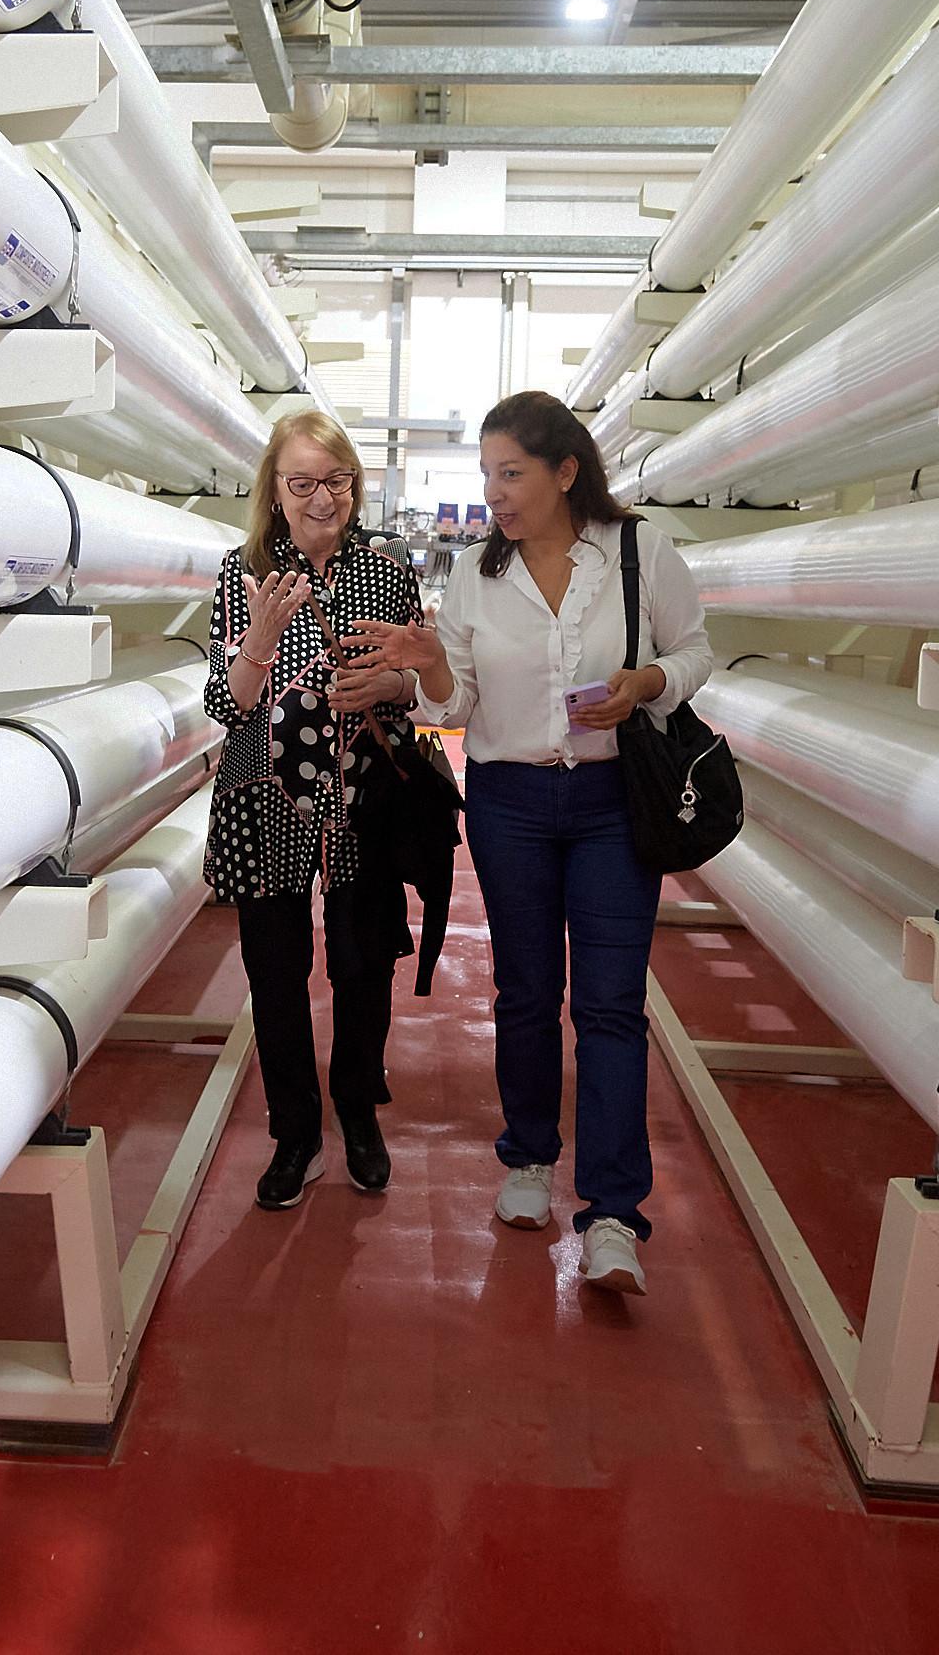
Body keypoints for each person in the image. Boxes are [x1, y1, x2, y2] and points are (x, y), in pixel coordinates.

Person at [344, 390, 714, 1294]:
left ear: (565, 471)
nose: (494, 493)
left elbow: (697, 651)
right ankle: (529, 1157)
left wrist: (647, 682)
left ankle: (614, 1211)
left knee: (612, 1003)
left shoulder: (640, 552)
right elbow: (455, 706)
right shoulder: (479, 573)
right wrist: (431, 665)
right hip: (508, 799)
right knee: (525, 990)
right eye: (487, 474)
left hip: (612, 800)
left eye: (511, 473)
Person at [203, 410, 425, 1211]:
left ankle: (358, 1109)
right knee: (275, 968)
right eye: (302, 482)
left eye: (337, 480)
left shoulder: (388, 571)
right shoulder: (242, 572)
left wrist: (393, 684)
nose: (322, 498)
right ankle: (294, 1130)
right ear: (274, 490)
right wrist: (258, 642)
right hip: (265, 798)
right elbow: (224, 705)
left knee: (363, 962)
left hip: (363, 797)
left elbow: (423, 680)